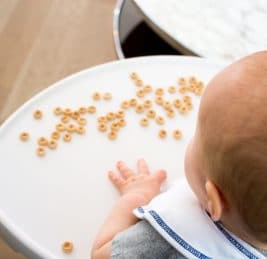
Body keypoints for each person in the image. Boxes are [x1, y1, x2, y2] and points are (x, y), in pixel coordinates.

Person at [91, 51, 267, 259]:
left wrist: (136, 197)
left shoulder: (164, 239)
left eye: (198, 135)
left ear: (214, 201)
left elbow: (100, 255)